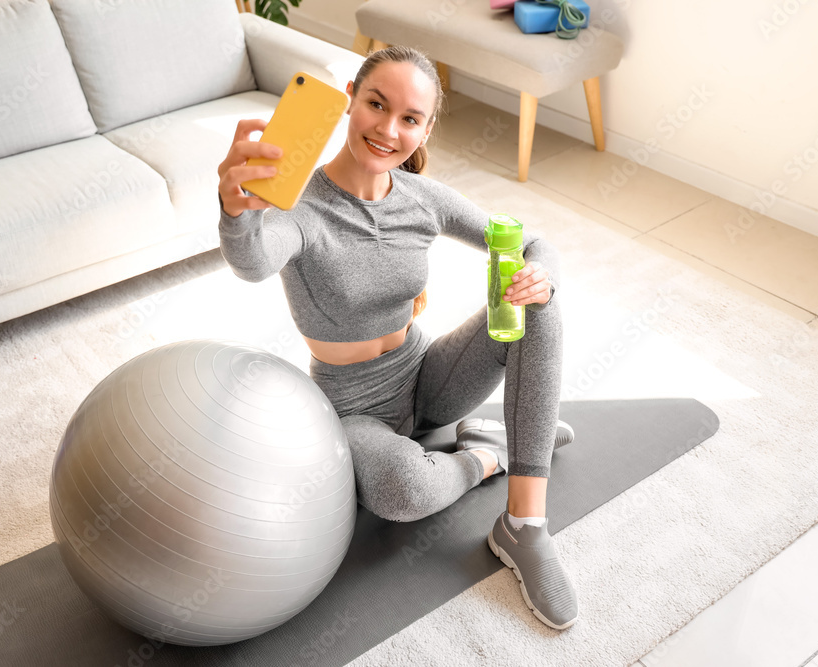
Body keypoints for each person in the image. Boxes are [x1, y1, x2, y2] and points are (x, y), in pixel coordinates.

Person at [217, 46, 577, 630]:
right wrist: (237, 212)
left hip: (430, 378)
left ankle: (524, 526)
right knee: (402, 490)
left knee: (539, 304)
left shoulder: (422, 199)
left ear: (426, 128)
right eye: (375, 105)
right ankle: (491, 453)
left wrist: (544, 275)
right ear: (350, 101)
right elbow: (253, 261)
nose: (388, 129)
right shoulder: (302, 208)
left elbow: (533, 243)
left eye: (409, 118)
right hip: (354, 408)